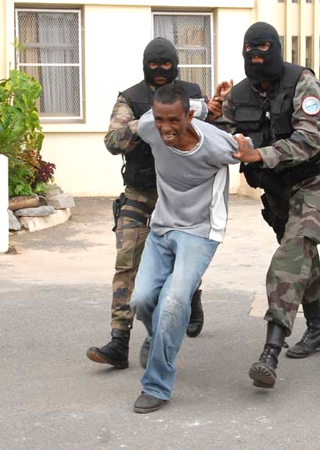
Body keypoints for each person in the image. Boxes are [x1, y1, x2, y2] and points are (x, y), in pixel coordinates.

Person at [211, 22, 320, 389]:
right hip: (276, 187)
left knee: (291, 254)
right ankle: (318, 328)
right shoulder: (238, 95)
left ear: (277, 49)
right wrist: (210, 116)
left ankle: (271, 350)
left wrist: (259, 154)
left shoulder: (303, 82)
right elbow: (223, 139)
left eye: (264, 48)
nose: (256, 55)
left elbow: (310, 138)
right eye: (250, 49)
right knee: (301, 254)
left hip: (313, 179)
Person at [87, 38, 208, 371]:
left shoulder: (191, 93)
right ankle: (119, 341)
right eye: (154, 65)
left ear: (176, 65)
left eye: (166, 65)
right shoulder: (130, 97)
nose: (160, 71)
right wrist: (147, 122)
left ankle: (192, 294)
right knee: (127, 263)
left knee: (180, 263)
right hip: (142, 193)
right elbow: (113, 140)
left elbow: (212, 128)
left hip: (182, 195)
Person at [130, 84, 241, 413]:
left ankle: (156, 385)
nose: (165, 128)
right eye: (160, 119)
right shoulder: (149, 126)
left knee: (173, 302)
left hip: (201, 230)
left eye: (173, 120)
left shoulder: (217, 145)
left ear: (188, 117)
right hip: (162, 226)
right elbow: (180, 110)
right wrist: (209, 104)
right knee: (141, 300)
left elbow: (250, 151)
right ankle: (159, 337)